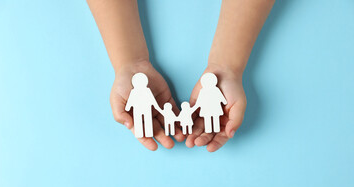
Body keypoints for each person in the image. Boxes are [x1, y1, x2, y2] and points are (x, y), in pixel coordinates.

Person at [87, 0, 275, 152]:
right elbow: (149, 103)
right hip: (165, 110)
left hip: (208, 109)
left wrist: (227, 67)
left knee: (205, 121)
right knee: (148, 122)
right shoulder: (139, 93)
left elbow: (194, 103)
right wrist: (129, 63)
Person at [125, 73, 162, 138]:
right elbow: (131, 100)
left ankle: (149, 132)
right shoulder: (134, 91)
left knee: (147, 120)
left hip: (145, 108)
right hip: (138, 108)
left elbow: (152, 100)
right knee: (138, 120)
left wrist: (156, 106)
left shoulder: (147, 90)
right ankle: (140, 133)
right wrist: (128, 107)